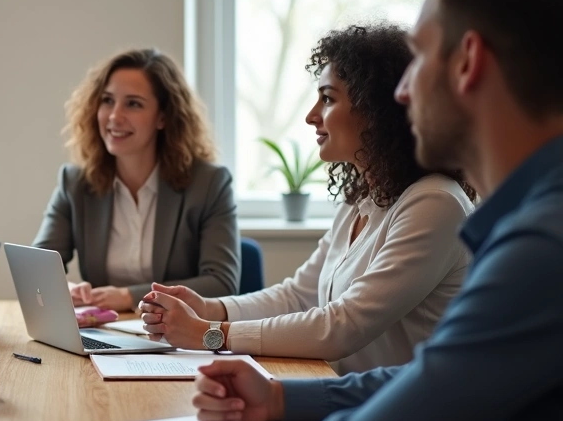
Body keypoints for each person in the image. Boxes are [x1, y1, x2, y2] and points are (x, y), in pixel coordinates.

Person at [191, 0, 563, 421]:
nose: (401, 89)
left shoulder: (542, 245)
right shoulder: (529, 219)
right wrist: (284, 398)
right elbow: (432, 373)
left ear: (469, 62)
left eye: (419, 56)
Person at [139, 24, 476, 374]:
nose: (311, 115)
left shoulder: (435, 204)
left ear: (377, 109)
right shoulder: (362, 198)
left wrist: (210, 334)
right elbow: (298, 295)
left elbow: (343, 327)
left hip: (401, 416)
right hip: (343, 396)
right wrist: (210, 309)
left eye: (328, 98)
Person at [32, 49, 239, 312]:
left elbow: (222, 283)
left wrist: (129, 297)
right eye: (107, 100)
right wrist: (65, 289)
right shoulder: (75, 183)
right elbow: (36, 268)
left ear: (163, 117)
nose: (114, 116)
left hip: (178, 336)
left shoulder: (210, 184)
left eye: (133, 104)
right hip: (104, 332)